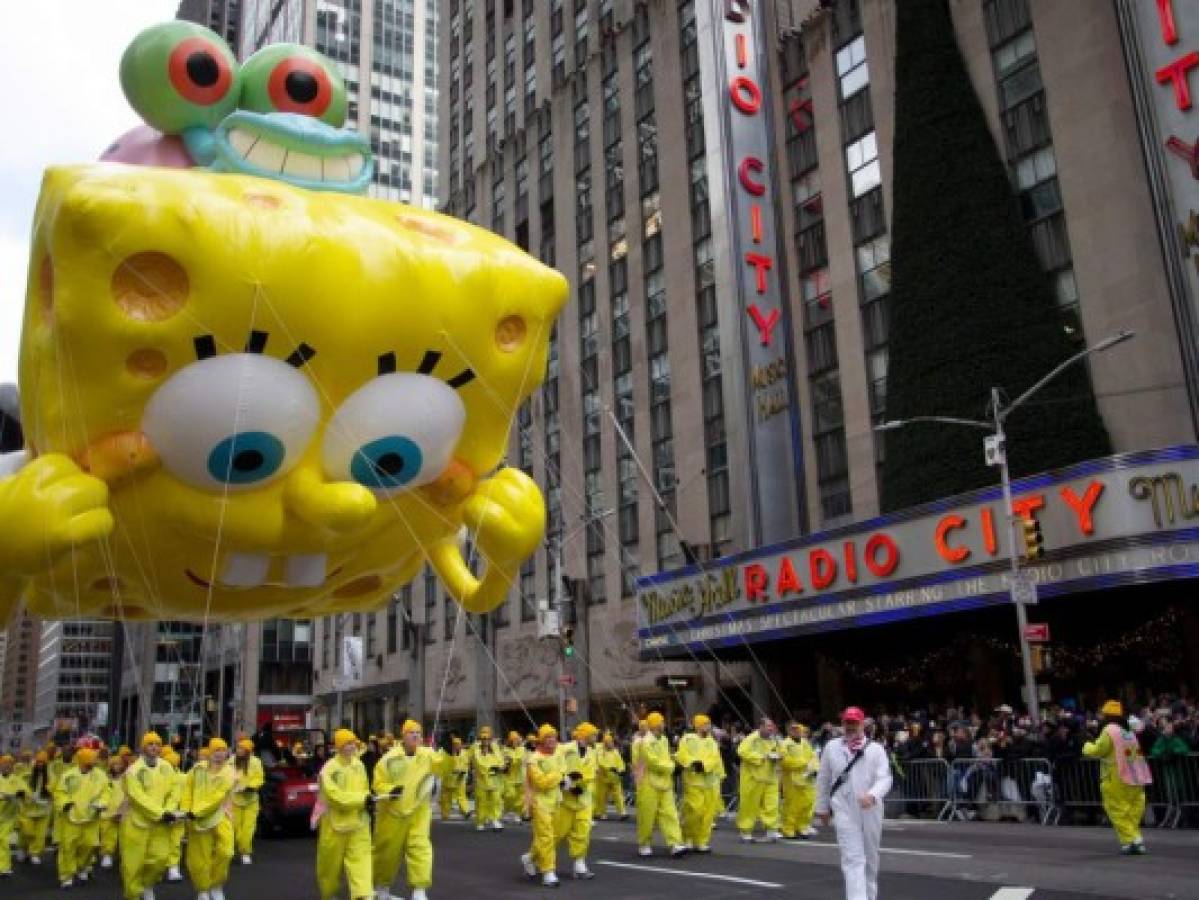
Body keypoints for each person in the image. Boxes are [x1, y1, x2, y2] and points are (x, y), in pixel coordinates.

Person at [815, 707, 893, 900]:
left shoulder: (875, 749)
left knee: (870, 860)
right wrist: (822, 808)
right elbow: (823, 778)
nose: (850, 726)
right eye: (846, 722)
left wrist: (873, 795)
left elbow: (885, 778)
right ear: (842, 723)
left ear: (862, 724)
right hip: (844, 809)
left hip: (871, 810)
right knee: (853, 859)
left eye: (854, 723)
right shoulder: (831, 747)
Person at [372, 719, 436, 900]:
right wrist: (390, 791)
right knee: (387, 852)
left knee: (420, 848)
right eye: (411, 732)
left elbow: (444, 766)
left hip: (418, 812)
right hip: (393, 814)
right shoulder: (388, 760)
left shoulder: (428, 755)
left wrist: (446, 760)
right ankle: (382, 888)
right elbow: (378, 783)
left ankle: (419, 889)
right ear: (403, 736)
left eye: (418, 732)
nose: (415, 735)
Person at [1082, 700, 1151, 855]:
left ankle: (1132, 839)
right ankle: (1132, 841)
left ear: (1107, 715)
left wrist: (1086, 746)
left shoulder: (1110, 730)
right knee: (1133, 808)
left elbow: (1100, 749)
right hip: (1136, 775)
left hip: (1116, 775)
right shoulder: (1128, 729)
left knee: (1116, 808)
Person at [121, 732, 182, 900]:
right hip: (137, 824)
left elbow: (175, 789)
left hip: (160, 824)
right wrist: (161, 813)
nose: (154, 747)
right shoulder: (133, 770)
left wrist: (168, 810)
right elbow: (137, 797)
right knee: (133, 864)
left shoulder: (166, 767)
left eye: (157, 744)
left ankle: (147, 885)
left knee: (160, 859)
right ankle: (133, 894)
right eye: (150, 744)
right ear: (143, 747)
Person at [315, 728, 373, 900]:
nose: (352, 746)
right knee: (330, 866)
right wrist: (363, 800)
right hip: (334, 825)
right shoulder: (329, 770)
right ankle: (329, 893)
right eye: (348, 743)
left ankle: (362, 894)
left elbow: (365, 789)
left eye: (353, 742)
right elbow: (335, 797)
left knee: (361, 861)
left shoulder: (359, 766)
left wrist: (369, 802)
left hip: (358, 824)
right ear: (339, 746)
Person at [183, 738, 237, 900]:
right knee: (199, 858)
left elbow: (218, 797)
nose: (220, 754)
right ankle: (203, 890)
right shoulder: (197, 769)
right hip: (197, 820)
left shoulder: (230, 773)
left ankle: (216, 884)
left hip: (221, 816)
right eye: (216, 750)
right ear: (210, 752)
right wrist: (187, 811)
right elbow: (187, 790)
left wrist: (196, 812)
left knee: (226, 852)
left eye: (223, 750)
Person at [54, 744, 110, 889]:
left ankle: (80, 868)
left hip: (91, 817)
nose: (92, 764)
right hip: (71, 818)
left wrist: (102, 803)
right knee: (68, 847)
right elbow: (60, 792)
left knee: (89, 846)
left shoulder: (100, 776)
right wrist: (65, 804)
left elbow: (106, 792)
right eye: (89, 761)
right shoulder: (68, 776)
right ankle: (66, 876)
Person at [635, 711, 687, 858]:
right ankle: (644, 843)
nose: (664, 724)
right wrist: (672, 767)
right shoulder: (645, 743)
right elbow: (653, 763)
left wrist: (675, 762)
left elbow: (665, 758)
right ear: (656, 724)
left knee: (670, 814)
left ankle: (675, 843)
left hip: (665, 782)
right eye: (662, 721)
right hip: (649, 783)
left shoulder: (664, 740)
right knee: (647, 815)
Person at [520, 724, 566, 887]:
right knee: (545, 836)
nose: (552, 740)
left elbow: (563, 773)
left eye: (554, 736)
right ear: (541, 740)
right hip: (540, 803)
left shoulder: (557, 755)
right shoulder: (533, 760)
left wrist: (563, 779)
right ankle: (548, 871)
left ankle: (530, 858)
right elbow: (541, 783)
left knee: (553, 836)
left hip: (556, 801)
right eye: (548, 737)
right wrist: (559, 775)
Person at [674, 714, 725, 853]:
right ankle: (688, 836)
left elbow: (715, 759)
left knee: (708, 814)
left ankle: (702, 841)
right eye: (705, 724)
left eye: (708, 724)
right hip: (693, 781)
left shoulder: (712, 742)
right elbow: (681, 754)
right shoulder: (687, 739)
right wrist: (693, 763)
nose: (707, 726)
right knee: (695, 811)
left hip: (710, 782)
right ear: (698, 725)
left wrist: (705, 766)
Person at [554, 722, 598, 880]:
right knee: (556, 834)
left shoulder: (593, 752)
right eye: (593, 734)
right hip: (565, 801)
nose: (595, 737)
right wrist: (567, 785)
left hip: (584, 799)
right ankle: (534, 858)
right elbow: (556, 767)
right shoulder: (565, 749)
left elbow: (591, 772)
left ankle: (579, 864)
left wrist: (581, 781)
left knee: (583, 832)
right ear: (585, 735)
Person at [737, 718, 783, 842]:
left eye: (771, 726)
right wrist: (762, 757)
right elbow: (742, 752)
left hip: (770, 776)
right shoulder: (751, 739)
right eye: (768, 726)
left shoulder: (774, 740)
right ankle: (745, 831)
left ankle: (772, 829)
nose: (770, 728)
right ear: (761, 726)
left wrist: (779, 756)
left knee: (772, 804)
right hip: (753, 777)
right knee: (749, 805)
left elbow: (781, 752)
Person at [781, 722, 820, 839]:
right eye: (793, 730)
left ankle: (802, 827)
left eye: (798, 730)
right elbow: (785, 761)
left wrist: (814, 768)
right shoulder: (785, 744)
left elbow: (813, 757)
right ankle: (789, 829)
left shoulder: (805, 743)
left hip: (806, 779)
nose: (796, 732)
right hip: (792, 781)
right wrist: (803, 764)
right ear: (789, 731)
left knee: (807, 804)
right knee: (792, 805)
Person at [232, 737, 265, 865]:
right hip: (235, 799)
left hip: (251, 799)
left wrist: (250, 786)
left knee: (248, 828)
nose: (239, 750)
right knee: (236, 828)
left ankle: (245, 852)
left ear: (248, 751)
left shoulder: (256, 762)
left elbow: (259, 778)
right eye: (238, 748)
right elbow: (227, 775)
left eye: (242, 748)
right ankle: (242, 848)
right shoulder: (231, 761)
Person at [17, 750, 52, 865]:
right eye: (38, 762)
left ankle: (34, 853)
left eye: (43, 762)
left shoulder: (50, 775)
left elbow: (55, 788)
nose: (40, 765)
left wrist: (48, 797)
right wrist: (25, 795)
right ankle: (23, 849)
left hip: (43, 810)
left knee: (40, 835)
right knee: (26, 831)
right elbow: (19, 785)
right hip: (28, 808)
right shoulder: (27, 773)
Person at [470, 726, 506, 832]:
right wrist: (492, 767)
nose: (486, 741)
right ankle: (480, 821)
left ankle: (495, 819)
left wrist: (500, 766)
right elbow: (479, 762)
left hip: (495, 781)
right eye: (483, 738)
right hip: (482, 781)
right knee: (482, 801)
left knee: (496, 800)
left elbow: (500, 760)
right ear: (480, 738)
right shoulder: (476, 748)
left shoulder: (495, 747)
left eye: (488, 738)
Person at [162, 746, 186, 882]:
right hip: (161, 815)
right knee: (160, 842)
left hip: (178, 815)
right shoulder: (159, 777)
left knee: (176, 842)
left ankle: (173, 867)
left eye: (172, 764)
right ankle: (158, 869)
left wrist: (184, 811)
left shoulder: (184, 778)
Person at [100, 754, 127, 870]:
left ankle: (124, 856)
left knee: (124, 836)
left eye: (119, 764)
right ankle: (107, 854)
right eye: (114, 764)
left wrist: (123, 810)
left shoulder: (126, 779)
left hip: (123, 811)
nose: (117, 766)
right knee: (108, 835)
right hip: (108, 812)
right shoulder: (106, 779)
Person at [593, 731, 627, 821]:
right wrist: (610, 769)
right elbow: (600, 762)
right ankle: (601, 813)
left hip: (615, 778)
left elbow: (620, 762)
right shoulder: (600, 751)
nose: (610, 744)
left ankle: (622, 813)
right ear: (604, 743)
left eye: (611, 742)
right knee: (602, 797)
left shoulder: (615, 752)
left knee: (619, 796)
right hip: (603, 778)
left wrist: (621, 770)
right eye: (608, 742)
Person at [437, 737, 471, 821]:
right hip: (447, 779)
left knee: (461, 797)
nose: (456, 746)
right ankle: (445, 814)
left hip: (459, 779)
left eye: (458, 744)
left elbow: (466, 765)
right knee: (446, 799)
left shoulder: (464, 754)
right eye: (454, 745)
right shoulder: (445, 753)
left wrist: (463, 773)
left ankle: (466, 811)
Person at [0, 754, 21, 877]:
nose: (7, 766)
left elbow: (25, 793)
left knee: (3, 840)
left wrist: (18, 795)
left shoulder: (17, 780)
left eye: (10, 763)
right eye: (5, 763)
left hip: (8, 816)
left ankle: (5, 867)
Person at [503, 731, 527, 823]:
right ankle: (506, 811)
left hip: (519, 777)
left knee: (520, 797)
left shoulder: (521, 749)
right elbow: (511, 760)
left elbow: (520, 760)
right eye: (513, 740)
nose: (515, 741)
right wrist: (514, 760)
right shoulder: (505, 750)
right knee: (509, 795)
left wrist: (513, 760)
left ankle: (517, 814)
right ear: (510, 740)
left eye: (517, 739)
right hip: (509, 777)